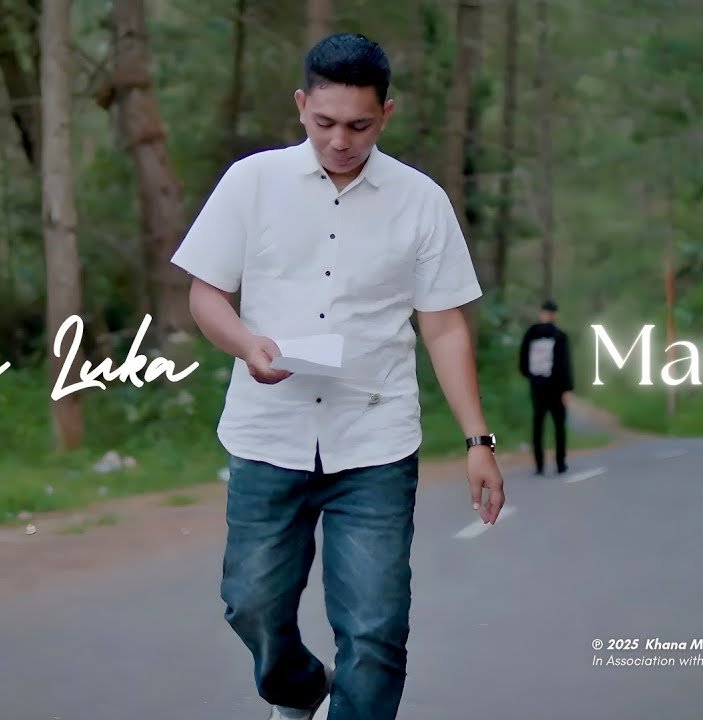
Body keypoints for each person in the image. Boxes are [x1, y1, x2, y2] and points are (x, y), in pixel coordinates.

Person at [169, 32, 506, 720]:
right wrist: (246, 344)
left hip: (375, 440)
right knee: (250, 603)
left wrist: (478, 440)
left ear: (386, 114)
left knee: (376, 630)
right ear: (301, 105)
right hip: (269, 434)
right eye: (324, 122)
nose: (339, 141)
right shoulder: (252, 183)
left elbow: (443, 326)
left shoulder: (421, 201)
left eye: (359, 125)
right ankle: (298, 691)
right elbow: (207, 294)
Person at [518, 299, 574, 475]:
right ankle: (559, 464)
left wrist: (532, 376)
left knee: (539, 426)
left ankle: (540, 465)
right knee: (557, 426)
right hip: (554, 387)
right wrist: (567, 388)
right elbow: (565, 364)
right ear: (555, 315)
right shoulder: (560, 335)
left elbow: (523, 360)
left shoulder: (531, 334)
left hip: (539, 386)